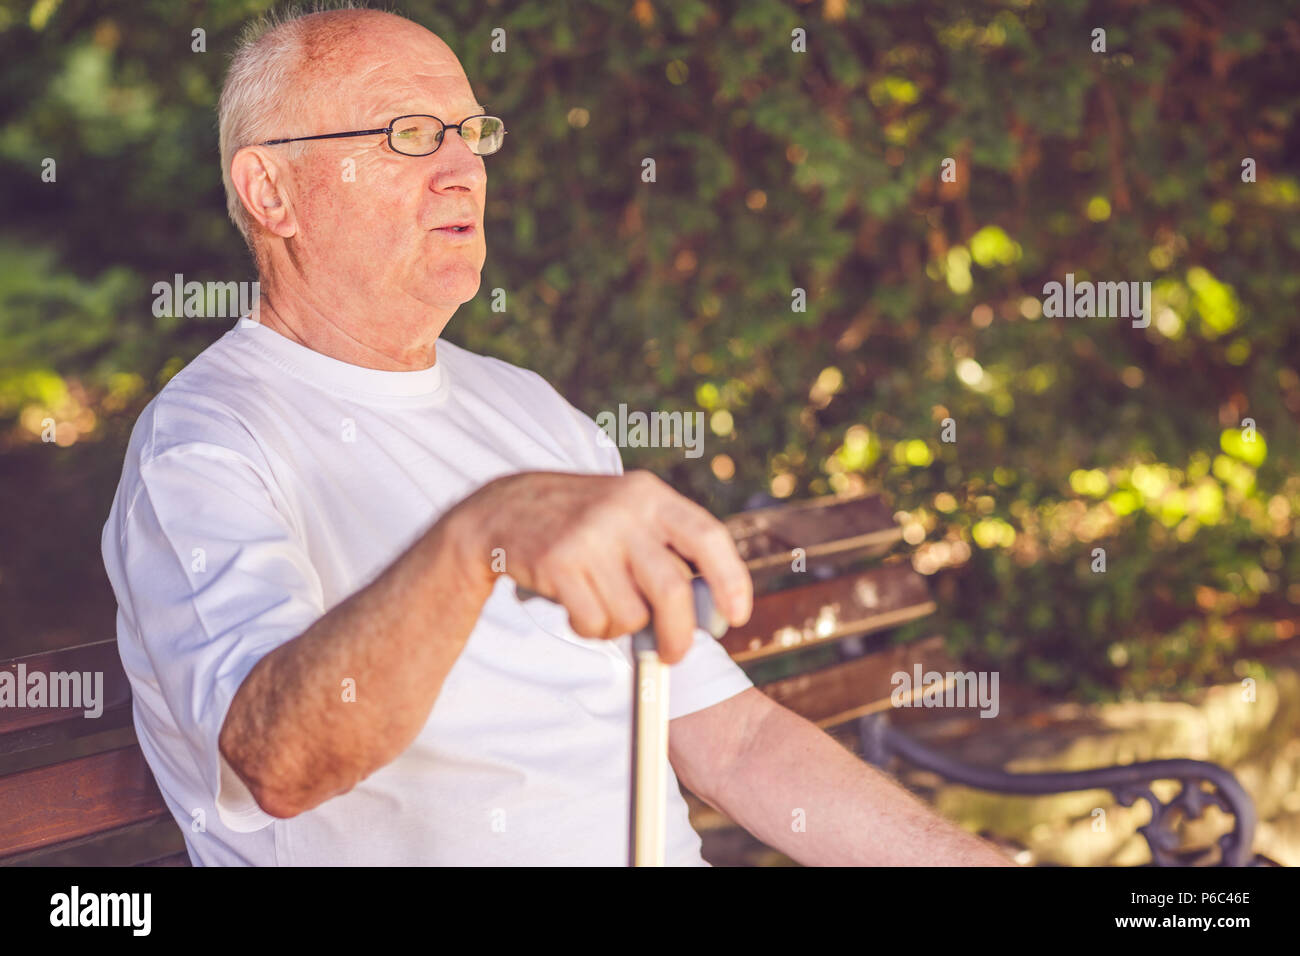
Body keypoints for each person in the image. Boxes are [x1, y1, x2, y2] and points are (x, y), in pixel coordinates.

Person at [101, 6, 1010, 866]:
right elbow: (276, 760)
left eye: (471, 132)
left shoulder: (532, 411)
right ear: (271, 190)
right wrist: (475, 541)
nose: (462, 168)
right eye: (408, 136)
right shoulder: (207, 446)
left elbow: (733, 741)